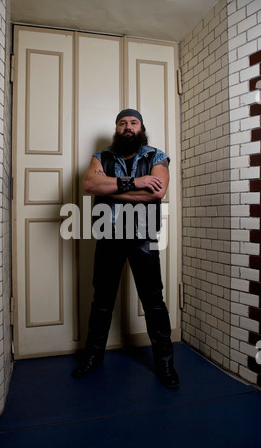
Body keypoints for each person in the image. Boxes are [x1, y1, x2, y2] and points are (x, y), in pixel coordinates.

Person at [72, 109, 179, 388]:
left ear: (141, 127)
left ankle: (166, 364)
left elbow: (156, 192)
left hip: (144, 235)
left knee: (153, 301)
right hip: (109, 234)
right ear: (116, 129)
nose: (127, 127)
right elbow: (88, 183)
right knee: (102, 300)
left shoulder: (156, 156)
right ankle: (93, 357)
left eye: (133, 122)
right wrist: (137, 183)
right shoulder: (102, 156)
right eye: (122, 123)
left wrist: (110, 188)